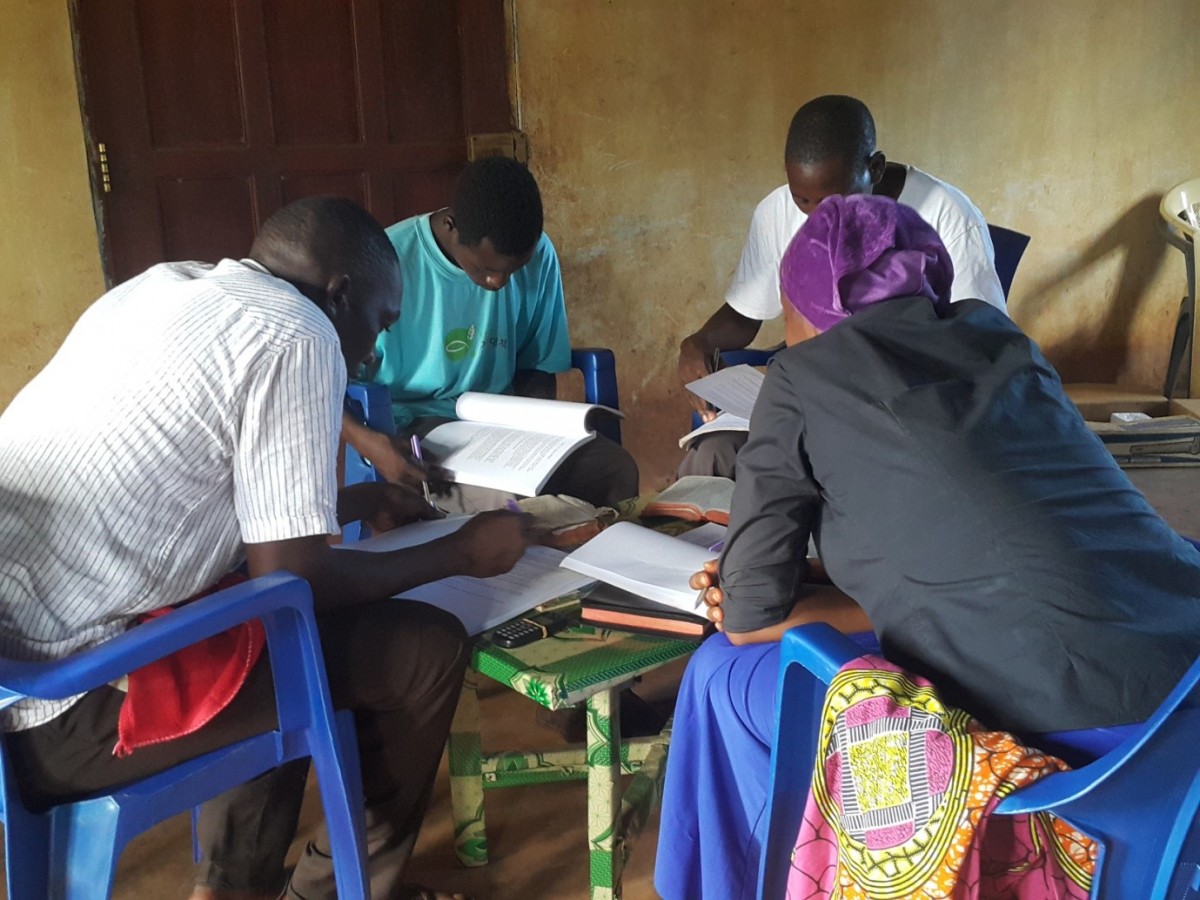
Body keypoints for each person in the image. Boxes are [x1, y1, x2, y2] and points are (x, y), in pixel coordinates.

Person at [655, 194, 1200, 899]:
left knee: (721, 674)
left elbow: (749, 618)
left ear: (805, 309)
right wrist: (814, 585)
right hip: (1181, 688)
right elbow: (981, 552)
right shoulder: (1000, 340)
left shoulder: (801, 375)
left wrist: (762, 597)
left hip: (1081, 719)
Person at [0, 197, 533, 900]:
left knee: (280, 634)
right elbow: (293, 580)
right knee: (420, 651)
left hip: (21, 672)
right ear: (340, 294)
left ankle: (234, 885)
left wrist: (361, 504)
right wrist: (461, 552)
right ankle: (327, 891)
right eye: (379, 323)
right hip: (65, 710)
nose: (371, 354)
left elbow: (200, 505)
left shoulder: (164, 286)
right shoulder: (299, 333)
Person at [677, 94, 1006, 479]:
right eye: (802, 200)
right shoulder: (777, 210)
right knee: (715, 454)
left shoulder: (947, 216)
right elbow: (745, 312)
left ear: (874, 169)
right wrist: (698, 342)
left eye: (834, 201)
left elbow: (977, 345)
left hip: (903, 401)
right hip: (812, 391)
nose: (819, 218)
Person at [342, 156, 640, 513]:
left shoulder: (540, 255)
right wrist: (371, 442)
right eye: (485, 268)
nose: (498, 282)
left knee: (615, 469)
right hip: (412, 426)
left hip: (501, 424)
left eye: (513, 270)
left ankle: (609, 548)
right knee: (514, 503)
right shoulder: (385, 261)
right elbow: (322, 381)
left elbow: (536, 368)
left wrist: (536, 435)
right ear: (451, 226)